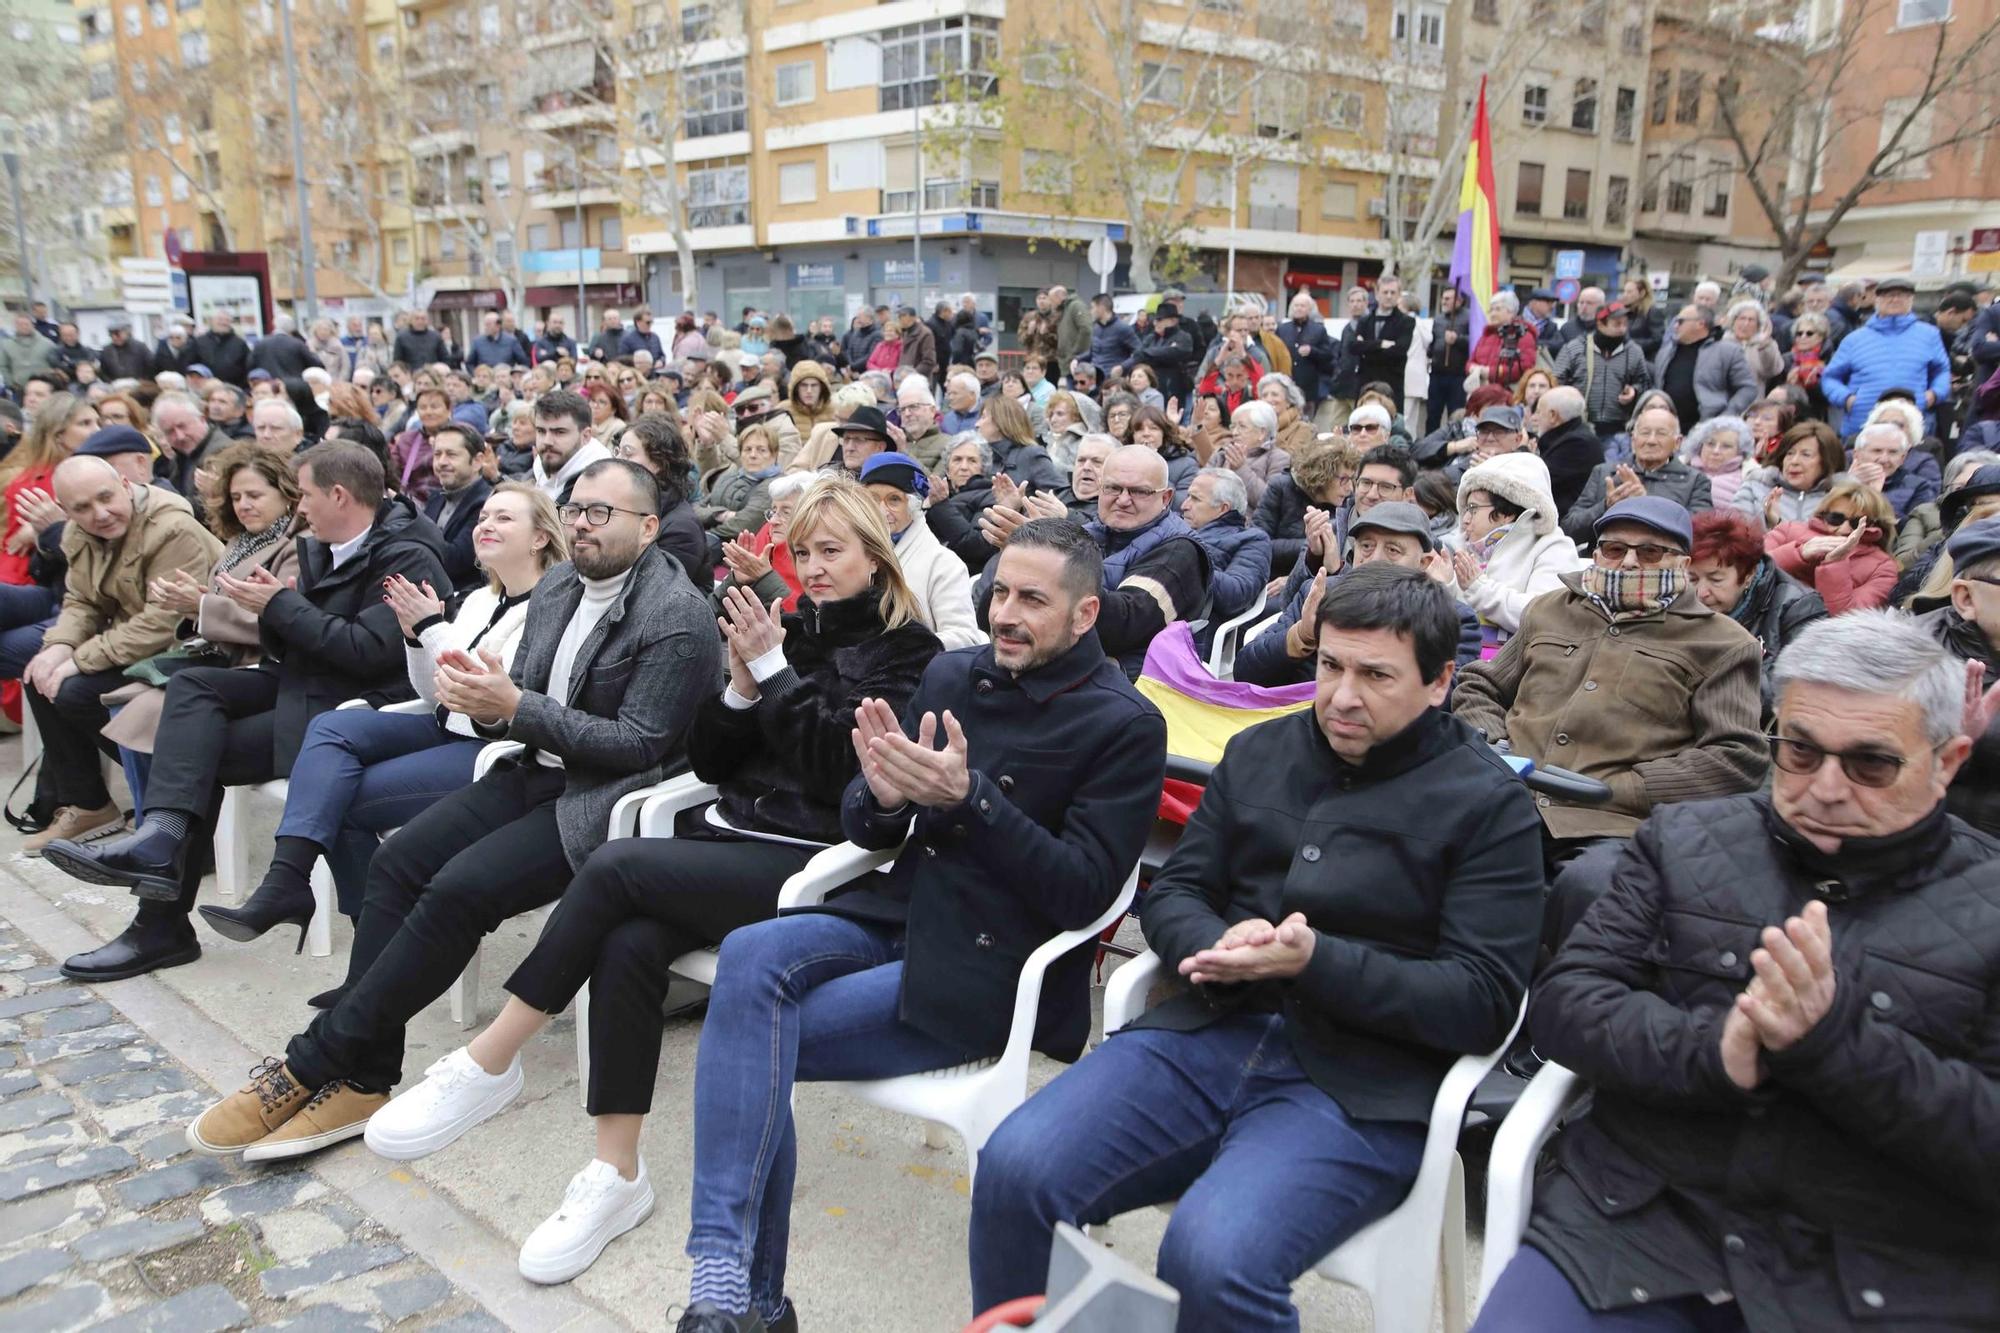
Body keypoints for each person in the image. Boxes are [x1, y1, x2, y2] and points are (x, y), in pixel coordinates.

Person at [359, 481, 943, 1285]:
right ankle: (616, 1171)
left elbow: (839, 772)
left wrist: (771, 671)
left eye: (831, 551)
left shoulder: (913, 652)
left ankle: (491, 1058)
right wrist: (740, 687)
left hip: (816, 862)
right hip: (734, 835)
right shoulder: (791, 630)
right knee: (629, 941)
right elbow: (710, 760)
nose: (811, 568)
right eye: (801, 552)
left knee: (616, 864)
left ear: (876, 555)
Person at [974, 565, 1543, 1333]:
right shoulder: (1263, 750)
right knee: (1015, 1169)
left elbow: (1482, 1000)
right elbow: (1174, 891)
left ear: (1440, 682)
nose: (1342, 695)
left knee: (1213, 1256)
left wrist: (1316, 961)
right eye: (1330, 665)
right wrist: (1216, 942)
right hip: (1208, 1028)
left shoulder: (1489, 804)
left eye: (1375, 675)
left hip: (1360, 1085)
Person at [657, 517, 1163, 1332]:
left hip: (992, 963)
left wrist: (973, 800)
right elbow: (866, 820)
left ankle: (746, 1297)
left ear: (1085, 615)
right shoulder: (955, 674)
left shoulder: (1124, 724)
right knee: (752, 956)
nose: (1005, 612)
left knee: (749, 1047)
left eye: (1033, 599)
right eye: (999, 590)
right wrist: (887, 795)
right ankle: (733, 1280)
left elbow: (1084, 895)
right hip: (898, 912)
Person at [1472, 611, 2000, 1333]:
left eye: (1870, 763)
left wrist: (1837, 1045)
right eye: (1800, 752)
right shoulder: (1685, 841)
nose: (1826, 786)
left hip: (1888, 1268)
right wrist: (1721, 1048)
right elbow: (1568, 1003)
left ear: (1948, 760)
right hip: (1640, 1226)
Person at [183, 460, 720, 1162]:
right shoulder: (559, 584)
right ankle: (367, 1076)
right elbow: (519, 697)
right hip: (531, 767)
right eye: (577, 509)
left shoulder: (676, 615)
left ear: (648, 528)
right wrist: (494, 706)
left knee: (458, 889)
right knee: (397, 861)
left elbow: (639, 743)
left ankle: (311, 1063)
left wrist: (516, 708)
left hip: (601, 799)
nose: (583, 525)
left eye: (603, 513)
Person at [42, 442, 453, 982]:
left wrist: (276, 606)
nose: (298, 507)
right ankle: (161, 841)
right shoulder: (320, 544)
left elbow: (364, 654)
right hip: (303, 682)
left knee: (198, 756)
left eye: (303, 494)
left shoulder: (406, 554)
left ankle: (159, 921)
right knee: (192, 689)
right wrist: (240, 610)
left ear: (338, 495)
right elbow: (296, 639)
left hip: (353, 710)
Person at [198, 483, 565, 940]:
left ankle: (371, 942)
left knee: (338, 798)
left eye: (504, 518)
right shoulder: (478, 600)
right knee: (332, 724)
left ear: (540, 538)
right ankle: (287, 880)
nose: (486, 524)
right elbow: (433, 694)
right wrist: (416, 636)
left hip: (493, 749)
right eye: (484, 516)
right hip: (444, 725)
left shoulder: (553, 605)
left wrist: (430, 627)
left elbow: (486, 694)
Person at [1452, 497, 1767, 931]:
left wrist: (1625, 789)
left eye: (1651, 552)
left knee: (1594, 886)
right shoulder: (1550, 610)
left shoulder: (1723, 644)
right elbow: (1480, 684)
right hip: (1508, 798)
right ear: (1596, 552)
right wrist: (1493, 748)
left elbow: (1735, 755)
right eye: (1614, 549)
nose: (1629, 563)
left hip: (1614, 825)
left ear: (1684, 561)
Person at [17, 449, 221, 852]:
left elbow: (161, 624)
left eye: (106, 497)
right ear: (66, 511)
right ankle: (88, 804)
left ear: (126, 486)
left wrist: (79, 659)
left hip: (198, 647)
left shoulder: (170, 528)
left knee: (76, 690)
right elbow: (82, 601)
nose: (100, 513)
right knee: (39, 676)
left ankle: (172, 803)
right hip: (147, 648)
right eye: (83, 507)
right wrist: (58, 648)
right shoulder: (78, 532)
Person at [1235, 500, 1480, 688]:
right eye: (1366, 546)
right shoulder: (1320, 594)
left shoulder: (1454, 618)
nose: (1374, 558)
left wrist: (1421, 613)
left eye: (1393, 550)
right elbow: (1246, 671)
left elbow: (1447, 699)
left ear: (1424, 562)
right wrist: (1302, 635)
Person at [1437, 453, 1586, 656]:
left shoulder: (1553, 547)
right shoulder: (1458, 545)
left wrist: (1479, 588)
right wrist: (1446, 586)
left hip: (1517, 670)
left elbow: (1545, 618)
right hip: (1458, 658)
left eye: (1473, 509)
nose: (1465, 519)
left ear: (1506, 511)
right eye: (1464, 509)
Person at [1688, 508, 1826, 723]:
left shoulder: (1798, 607)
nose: (1701, 593)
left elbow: (1791, 693)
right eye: (1693, 579)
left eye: (1715, 580)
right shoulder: (1679, 599)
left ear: (1749, 575)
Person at [857, 452, 984, 649]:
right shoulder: (851, 553)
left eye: (894, 500)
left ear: (913, 507)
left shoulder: (943, 563)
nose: (881, 510)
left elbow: (966, 638)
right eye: (872, 499)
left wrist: (901, 648)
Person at [1562, 402, 1714, 543]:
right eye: (1645, 432)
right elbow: (1569, 530)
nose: (1651, 441)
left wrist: (1646, 504)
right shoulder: (1604, 472)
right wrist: (1606, 506)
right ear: (1633, 440)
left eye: (1661, 433)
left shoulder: (1695, 481)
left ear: (1678, 442)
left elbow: (1702, 535)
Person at [1822, 275, 1951, 436]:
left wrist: (1933, 395)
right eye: (1889, 295)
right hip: (1861, 426)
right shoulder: (1855, 339)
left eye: (1902, 295)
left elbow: (1942, 371)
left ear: (1911, 300)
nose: (1895, 300)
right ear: (1877, 300)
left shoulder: (1929, 335)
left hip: (1913, 427)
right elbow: (1830, 378)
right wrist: (1848, 400)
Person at [1764, 479, 1898, 615]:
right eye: (1836, 518)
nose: (1844, 528)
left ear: (1876, 525)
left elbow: (1846, 619)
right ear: (1823, 514)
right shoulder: (1788, 530)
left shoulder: (1884, 568)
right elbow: (1750, 571)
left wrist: (1834, 563)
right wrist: (1799, 554)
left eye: (1857, 523)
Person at [612, 413, 711, 594]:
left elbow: (652, 592)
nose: (617, 460)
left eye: (628, 453)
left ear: (657, 463)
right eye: (617, 451)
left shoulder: (682, 528)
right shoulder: (622, 503)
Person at [1181, 467, 1271, 624]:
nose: (1184, 505)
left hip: (1192, 630)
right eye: (1188, 496)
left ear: (1222, 508)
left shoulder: (1253, 539)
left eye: (1195, 499)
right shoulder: (1175, 525)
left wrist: (1184, 563)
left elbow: (1236, 594)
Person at [1552, 300, 1652, 440]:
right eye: (1617, 324)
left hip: (1618, 429)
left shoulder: (1634, 351)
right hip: (1578, 426)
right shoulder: (1574, 348)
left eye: (1625, 323)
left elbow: (1645, 383)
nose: (1623, 329)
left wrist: (1634, 392)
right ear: (1600, 324)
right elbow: (1556, 381)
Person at [1653, 305, 1757, 431]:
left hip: (1707, 429)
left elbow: (1748, 388)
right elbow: (1656, 386)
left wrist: (1727, 415)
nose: (1675, 326)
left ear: (1700, 324)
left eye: (1680, 321)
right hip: (1666, 426)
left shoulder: (1727, 351)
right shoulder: (1666, 352)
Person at [420, 423, 494, 592]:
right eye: (437, 454)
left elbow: (454, 561)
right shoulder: (436, 498)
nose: (441, 462)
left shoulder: (488, 504)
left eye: (451, 455)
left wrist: (413, 520)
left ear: (477, 461)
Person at [1733, 419, 1843, 529]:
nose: (1794, 461)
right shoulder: (1755, 486)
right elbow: (1736, 535)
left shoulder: (1842, 498)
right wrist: (1768, 522)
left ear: (1827, 461)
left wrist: (1778, 523)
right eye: (1790, 453)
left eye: (1806, 455)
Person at [529, 389, 612, 505]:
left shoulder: (597, 479)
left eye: (559, 432)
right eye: (541, 431)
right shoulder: (546, 460)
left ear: (586, 436)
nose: (547, 441)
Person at [1848, 418, 1939, 522]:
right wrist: (1850, 484)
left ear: (1903, 458)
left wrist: (1876, 498)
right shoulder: (1837, 482)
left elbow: (1914, 528)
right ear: (1856, 455)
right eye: (1877, 451)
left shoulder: (1919, 486)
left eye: (1892, 452)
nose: (1884, 459)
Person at [1123, 301, 1196, 405]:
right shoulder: (1151, 338)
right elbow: (1139, 354)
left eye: (1160, 320)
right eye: (1155, 320)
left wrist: (1151, 354)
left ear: (1173, 320)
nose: (1155, 323)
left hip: (1174, 389)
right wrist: (1159, 352)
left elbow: (1178, 352)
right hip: (1150, 390)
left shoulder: (1183, 337)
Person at [1681, 414, 1755, 510]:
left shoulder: (1748, 480)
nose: (1716, 451)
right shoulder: (1680, 469)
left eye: (1726, 446)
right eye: (1710, 444)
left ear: (1740, 451)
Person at [1468, 291, 1537, 388]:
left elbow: (1525, 367)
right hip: (1481, 391)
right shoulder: (1487, 335)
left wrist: (1491, 372)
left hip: (1507, 395)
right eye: (1491, 310)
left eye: (1497, 309)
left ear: (1511, 312)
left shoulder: (1523, 335)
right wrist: (1473, 368)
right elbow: (1471, 361)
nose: (1493, 314)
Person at [1721, 298, 1783, 388]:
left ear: (1758, 325)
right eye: (1742, 318)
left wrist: (1765, 345)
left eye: (1751, 320)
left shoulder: (1765, 345)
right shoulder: (1722, 342)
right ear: (1733, 321)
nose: (1745, 324)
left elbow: (1773, 370)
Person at [0, 309, 56, 386]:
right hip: (18, 388)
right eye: (20, 324)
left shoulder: (47, 343)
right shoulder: (6, 344)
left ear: (32, 325)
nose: (23, 327)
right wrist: (11, 383)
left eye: (26, 324)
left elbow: (55, 364)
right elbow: (3, 366)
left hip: (43, 386)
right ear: (15, 326)